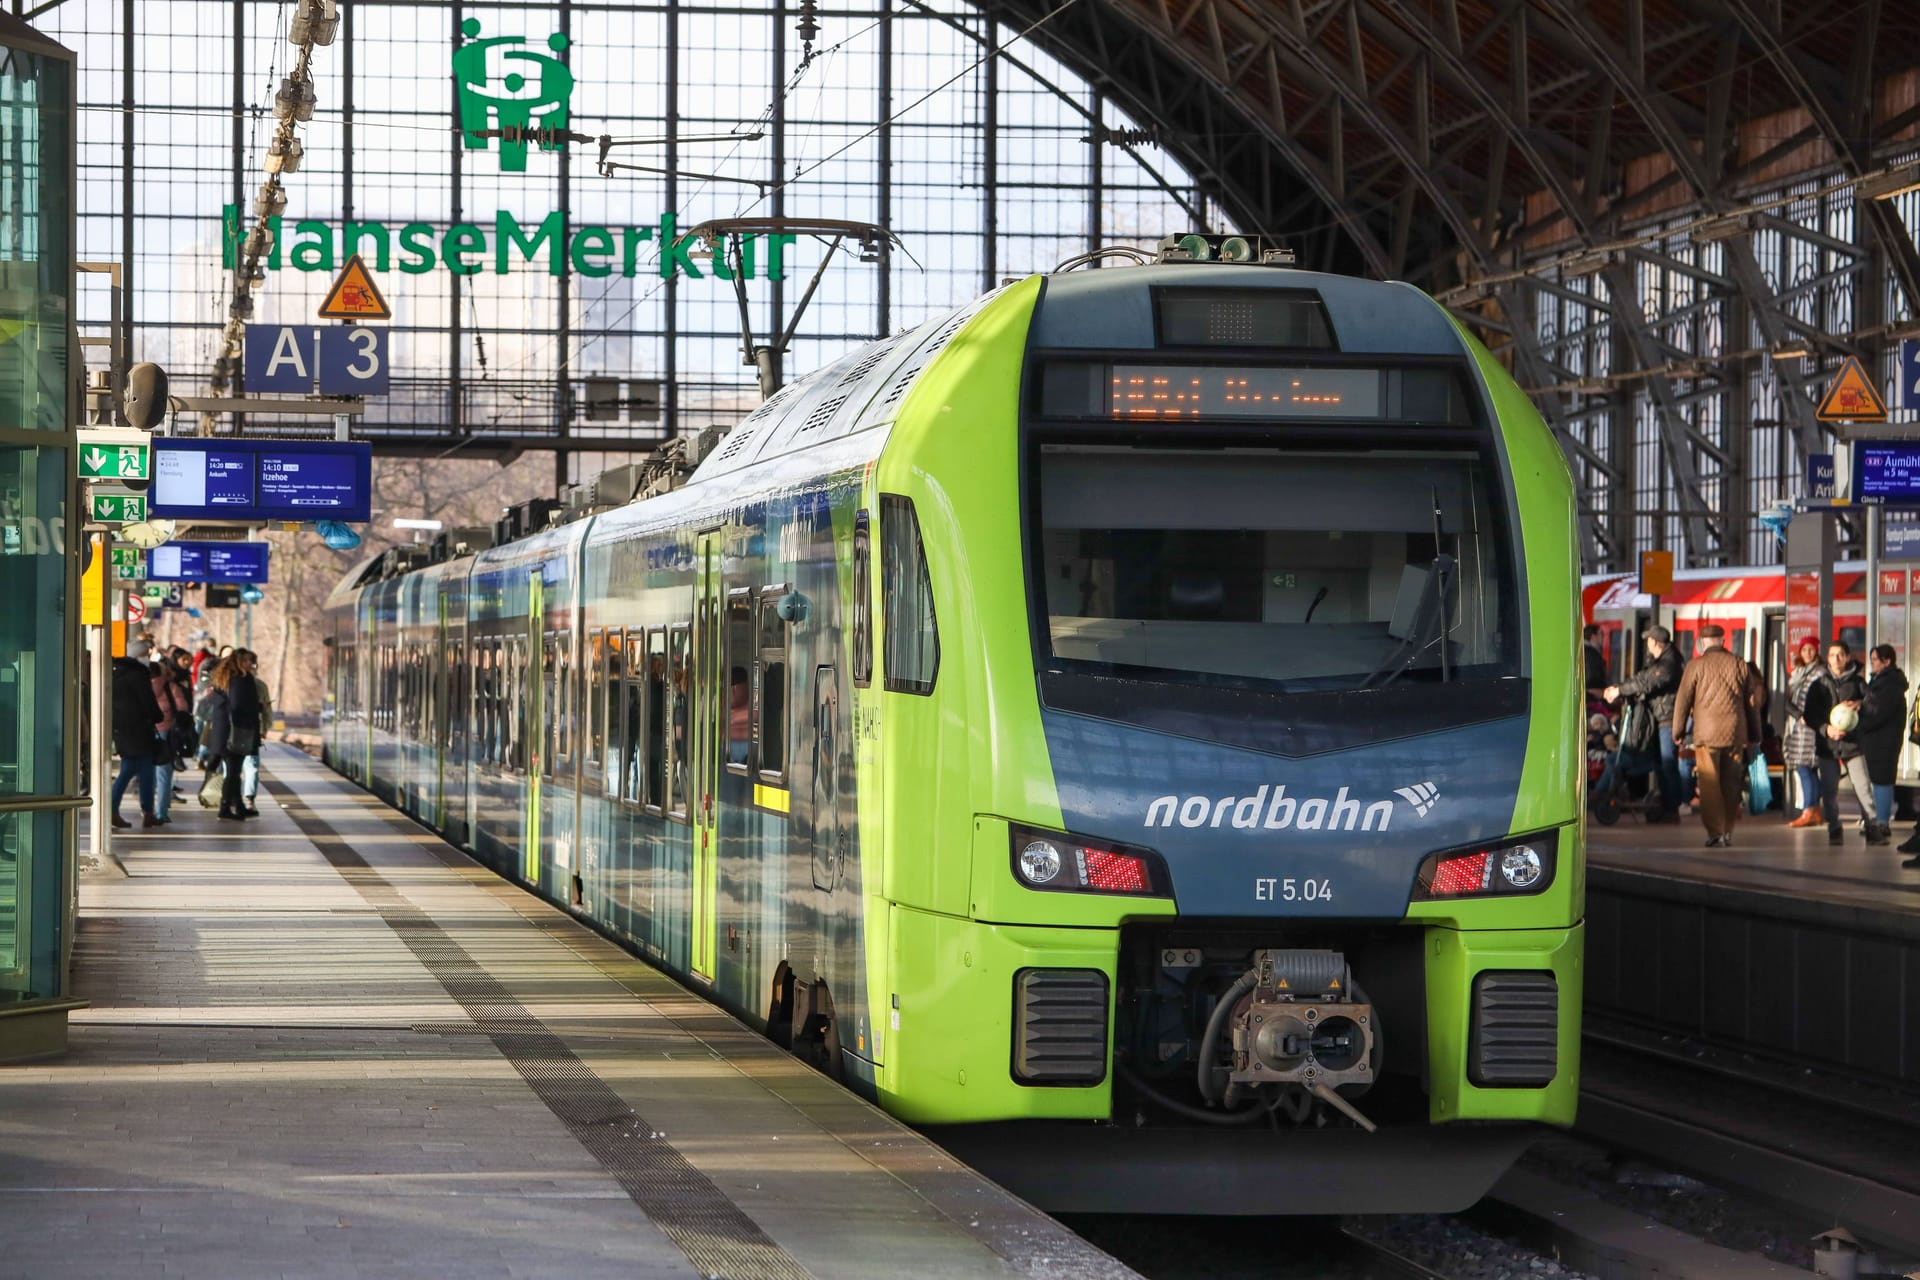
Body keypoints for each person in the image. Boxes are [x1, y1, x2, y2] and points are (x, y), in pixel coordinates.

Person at [1670, 624, 1763, 848]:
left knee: (1709, 783)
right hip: (1735, 732)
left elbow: (1682, 701)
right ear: (1723, 641)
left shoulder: (1695, 666)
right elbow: (1751, 703)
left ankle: (1715, 831)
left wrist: (1678, 731)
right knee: (1731, 784)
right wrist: (1755, 732)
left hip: (1706, 734)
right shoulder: (1739, 664)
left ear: (1702, 643)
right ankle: (1728, 831)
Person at [1604, 626, 1684, 821]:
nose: (1646, 644)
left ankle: (1673, 807)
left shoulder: (1669, 663)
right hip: (1658, 717)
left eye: (1648, 640)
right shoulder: (1658, 661)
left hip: (1667, 718)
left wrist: (1620, 691)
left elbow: (1647, 682)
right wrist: (1620, 688)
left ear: (1655, 643)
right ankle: (1666, 805)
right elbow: (1641, 678)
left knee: (1667, 763)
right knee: (1659, 764)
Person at [1803, 639, 1872, 846]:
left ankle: (1873, 826)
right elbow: (1810, 715)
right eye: (1832, 655)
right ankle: (1834, 826)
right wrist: (1826, 730)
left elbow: (1872, 705)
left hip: (1853, 745)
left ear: (1848, 657)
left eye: (1840, 655)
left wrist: (1861, 704)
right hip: (1828, 746)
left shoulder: (1858, 683)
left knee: (1863, 787)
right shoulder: (1819, 684)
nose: (1836, 659)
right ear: (1827, 658)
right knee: (1829, 790)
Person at [1852, 644, 1907, 847]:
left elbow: (1878, 712)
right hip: (1879, 739)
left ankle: (1882, 823)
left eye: (1875, 659)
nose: (1872, 663)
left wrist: (1858, 724)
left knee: (1882, 779)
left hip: (1884, 739)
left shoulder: (1889, 684)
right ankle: (1877, 821)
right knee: (1878, 779)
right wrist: (1860, 704)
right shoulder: (1883, 681)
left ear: (1887, 661)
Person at [109, 639, 166, 831]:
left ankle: (147, 812)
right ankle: (114, 808)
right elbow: (148, 702)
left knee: (144, 772)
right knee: (131, 771)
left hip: (123, 731)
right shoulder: (138, 675)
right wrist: (157, 716)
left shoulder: (116, 674)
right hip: (139, 731)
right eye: (147, 654)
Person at [202, 655, 262, 820]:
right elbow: (237, 705)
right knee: (234, 772)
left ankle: (238, 806)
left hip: (224, 733)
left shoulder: (224, 679)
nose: (252, 665)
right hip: (234, 733)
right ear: (240, 663)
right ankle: (225, 807)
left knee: (233, 770)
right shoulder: (239, 680)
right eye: (249, 661)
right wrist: (257, 707)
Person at [148, 648, 192, 826]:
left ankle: (147, 810)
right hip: (166, 731)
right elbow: (183, 708)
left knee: (147, 772)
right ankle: (161, 812)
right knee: (164, 773)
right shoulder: (170, 686)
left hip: (147, 732)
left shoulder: (143, 686)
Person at [1783, 638, 1823, 826]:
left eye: (1811, 649)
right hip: (1799, 725)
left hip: (1809, 727)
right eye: (1804, 649)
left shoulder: (1818, 672)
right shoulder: (1798, 673)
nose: (1807, 653)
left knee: (1803, 767)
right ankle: (1814, 810)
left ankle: (1809, 810)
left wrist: (1803, 715)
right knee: (1809, 769)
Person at [238, 649, 271, 809]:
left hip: (239, 731)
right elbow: (266, 710)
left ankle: (234, 798)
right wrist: (264, 728)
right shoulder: (259, 685)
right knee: (251, 766)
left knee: (233, 768)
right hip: (249, 730)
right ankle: (249, 800)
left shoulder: (227, 681)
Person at [1583, 624, 1609, 692]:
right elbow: (1593, 678)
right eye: (1600, 634)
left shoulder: (1583, 651)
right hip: (1592, 695)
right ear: (1593, 637)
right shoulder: (1592, 654)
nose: (1602, 637)